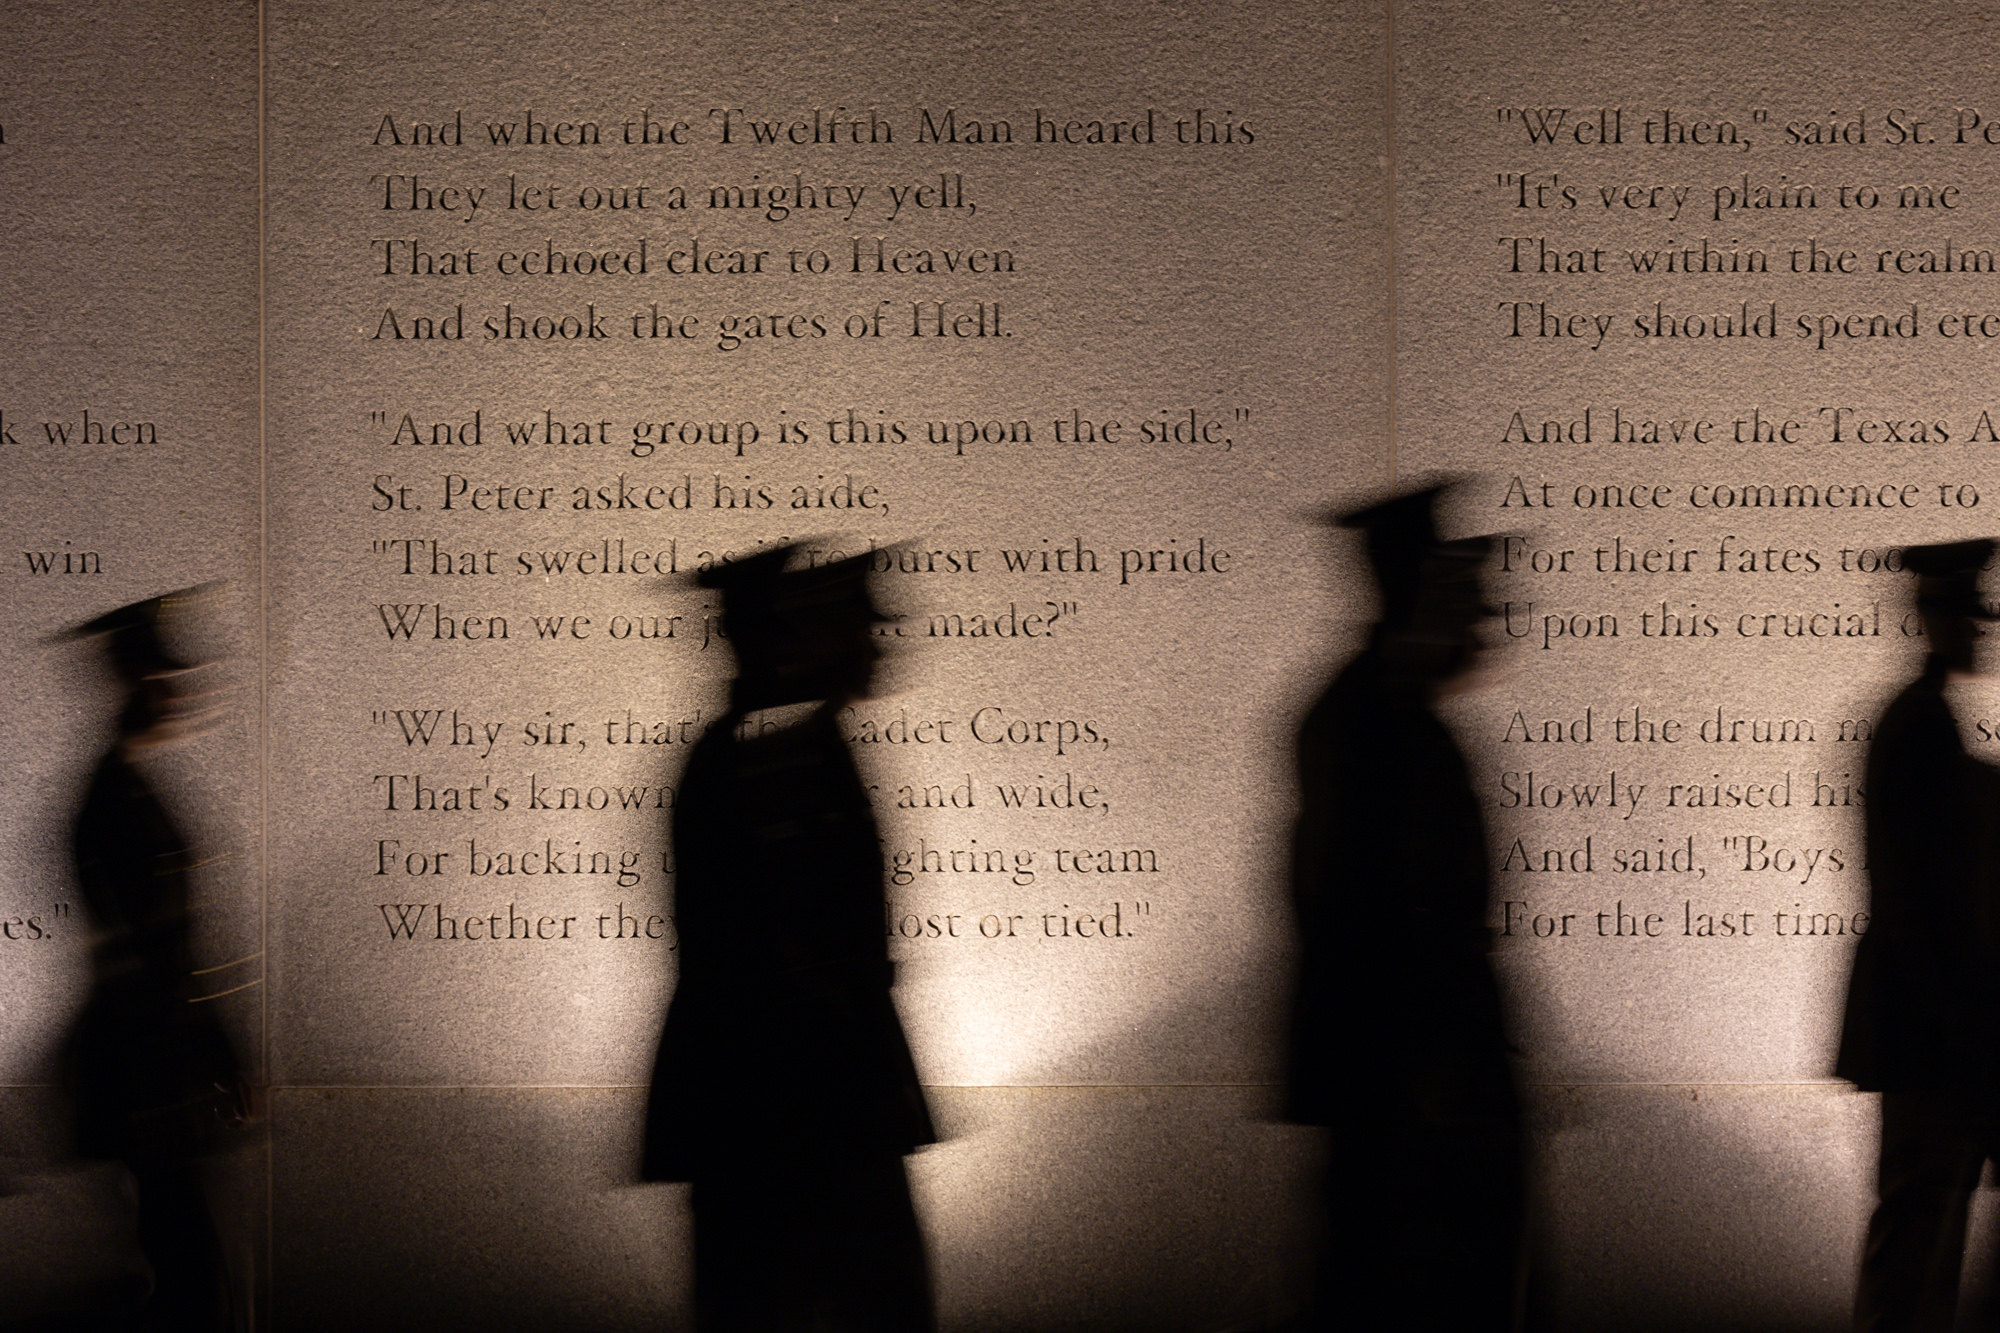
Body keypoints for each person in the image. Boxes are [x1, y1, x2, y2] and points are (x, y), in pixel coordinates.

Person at [642, 545, 936, 1332]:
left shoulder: (780, 750)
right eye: (849, 627)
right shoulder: (775, 759)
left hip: (787, 1105)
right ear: (795, 640)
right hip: (797, 1111)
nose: (877, 642)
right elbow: (796, 963)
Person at [1285, 485, 1522, 1332]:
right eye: (1462, 597)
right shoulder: (1362, 726)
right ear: (1410, 591)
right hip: (1402, 1086)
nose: (1483, 622)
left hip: (1420, 1081)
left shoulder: (1402, 721)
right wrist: (1436, 1073)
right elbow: (1351, 915)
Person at [63, 589, 248, 1332]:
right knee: (189, 1281)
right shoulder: (110, 799)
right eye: (161, 676)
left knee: (187, 1270)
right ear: (128, 678)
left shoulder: (130, 788)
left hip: (160, 1064)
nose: (178, 692)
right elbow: (148, 961)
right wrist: (210, 1053)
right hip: (150, 1070)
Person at [1839, 539, 2000, 1332]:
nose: (1979, 632)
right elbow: (1912, 898)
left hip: (1937, 1028)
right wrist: (1961, 1022)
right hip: (1931, 1031)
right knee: (1913, 1245)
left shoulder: (1926, 724)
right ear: (1930, 619)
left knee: (1920, 1237)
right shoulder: (1917, 727)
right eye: (1965, 614)